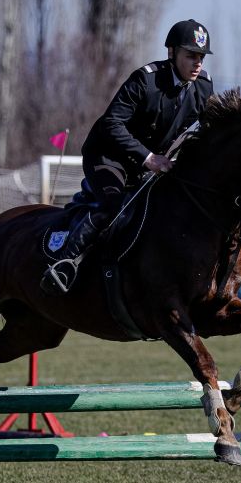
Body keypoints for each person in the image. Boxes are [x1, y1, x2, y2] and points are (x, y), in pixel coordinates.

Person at [43, 19, 215, 293]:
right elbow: (112, 124)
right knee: (115, 206)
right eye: (191, 55)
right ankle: (65, 263)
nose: (198, 63)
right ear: (172, 53)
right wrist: (149, 158)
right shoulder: (146, 80)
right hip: (108, 157)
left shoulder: (203, 87)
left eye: (201, 57)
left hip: (151, 164)